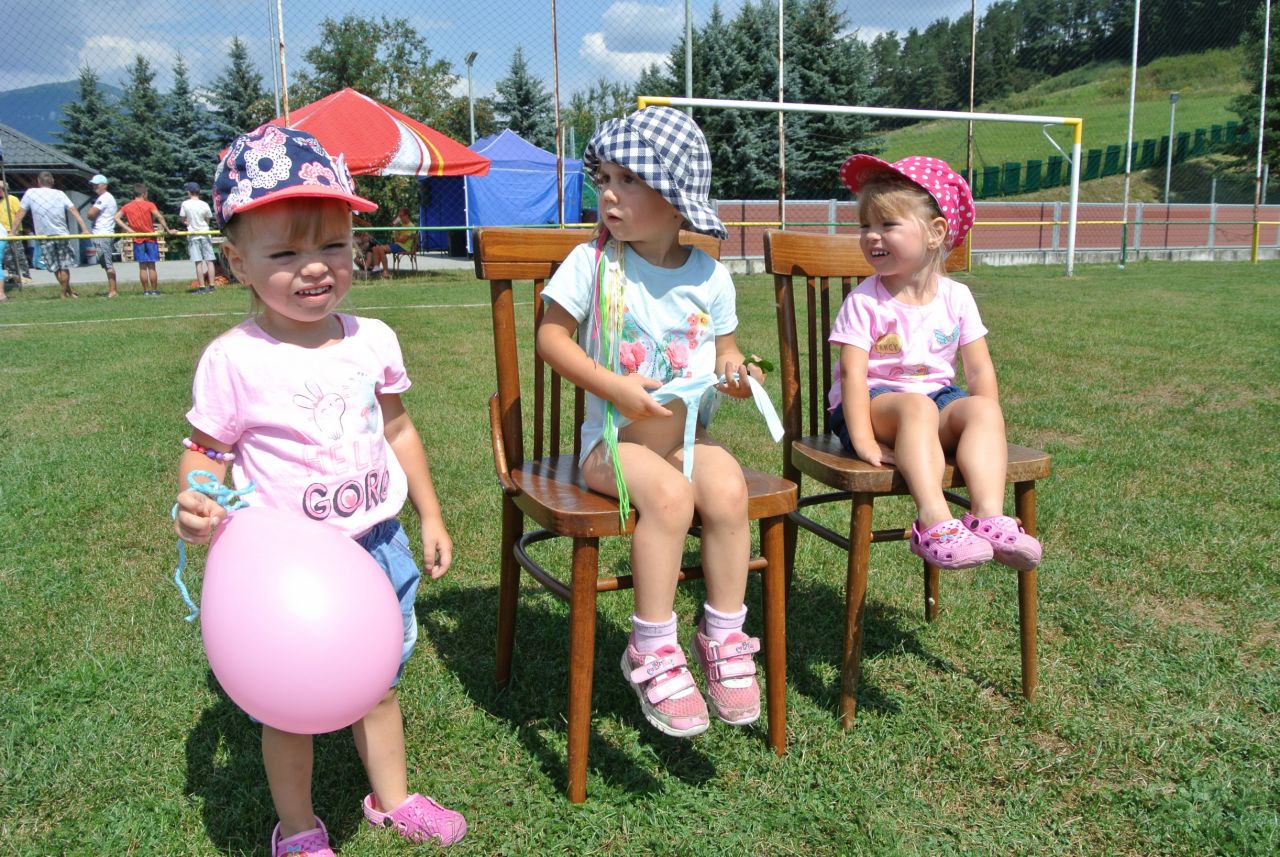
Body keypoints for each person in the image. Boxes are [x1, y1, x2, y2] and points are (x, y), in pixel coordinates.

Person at [172, 124, 466, 856]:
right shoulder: (234, 360)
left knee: (378, 683)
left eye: (333, 245)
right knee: (289, 707)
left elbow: (398, 429)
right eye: (284, 254)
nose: (314, 268)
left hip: (377, 544)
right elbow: (207, 450)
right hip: (287, 573)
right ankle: (299, 827)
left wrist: (429, 513)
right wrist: (198, 500)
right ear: (237, 261)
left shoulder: (372, 339)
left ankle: (393, 799)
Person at [537, 106, 775, 738]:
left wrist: (738, 373)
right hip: (611, 446)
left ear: (676, 202)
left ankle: (723, 635)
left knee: (727, 490)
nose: (609, 194)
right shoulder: (594, 263)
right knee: (670, 499)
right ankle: (652, 646)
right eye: (606, 179)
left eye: (630, 181)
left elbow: (726, 350)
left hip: (685, 439)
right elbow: (550, 339)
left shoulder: (710, 275)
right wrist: (612, 385)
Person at [827, 154, 1042, 572]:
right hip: (872, 408)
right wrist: (864, 441)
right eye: (865, 226)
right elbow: (853, 375)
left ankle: (988, 516)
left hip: (936, 401)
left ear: (935, 232)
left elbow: (979, 371)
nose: (872, 236)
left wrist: (986, 428)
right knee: (916, 407)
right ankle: (934, 520)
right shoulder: (865, 301)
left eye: (887, 224)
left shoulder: (956, 296)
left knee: (981, 408)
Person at [18, 171, 90, 299]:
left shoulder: (30, 193)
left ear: (38, 182)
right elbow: (73, 210)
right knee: (63, 266)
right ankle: (68, 292)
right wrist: (84, 228)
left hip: (45, 236)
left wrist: (12, 231)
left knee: (56, 267)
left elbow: (21, 212)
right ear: (52, 182)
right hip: (61, 234)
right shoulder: (60, 194)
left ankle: (63, 294)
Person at [114, 183, 170, 296]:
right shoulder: (149, 205)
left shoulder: (127, 206)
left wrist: (128, 229)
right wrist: (168, 229)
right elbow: (159, 216)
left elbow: (116, 217)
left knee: (142, 267)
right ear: (144, 194)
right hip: (150, 239)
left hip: (137, 239)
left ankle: (146, 291)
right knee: (152, 266)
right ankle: (154, 290)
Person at [86, 174, 119, 297]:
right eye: (93, 185)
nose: (94, 187)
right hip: (101, 233)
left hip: (103, 234)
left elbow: (90, 214)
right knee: (105, 263)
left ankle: (113, 291)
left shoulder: (104, 198)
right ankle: (112, 289)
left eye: (97, 185)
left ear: (104, 185)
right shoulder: (104, 198)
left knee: (107, 263)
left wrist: (91, 210)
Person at [179, 181, 215, 293]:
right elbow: (208, 219)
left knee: (198, 262)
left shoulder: (185, 204)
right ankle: (212, 286)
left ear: (189, 192)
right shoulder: (204, 204)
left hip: (193, 235)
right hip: (205, 233)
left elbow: (182, 218)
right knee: (209, 261)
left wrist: (187, 223)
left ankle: (202, 287)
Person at [1, 179, 32, 297]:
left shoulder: (12, 199)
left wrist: (16, 230)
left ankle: (25, 275)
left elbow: (19, 215)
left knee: (18, 255)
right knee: (7, 257)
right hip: (2, 233)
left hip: (12, 231)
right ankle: (14, 276)